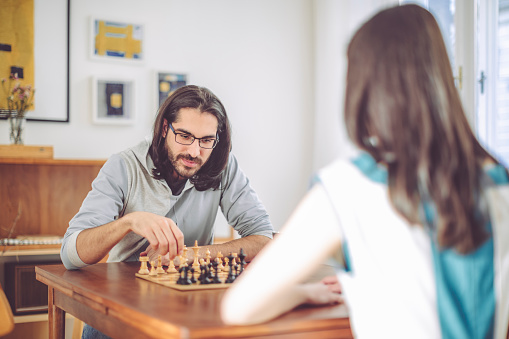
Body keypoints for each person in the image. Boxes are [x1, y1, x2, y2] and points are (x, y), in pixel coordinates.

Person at [220, 4, 509, 339]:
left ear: (364, 88)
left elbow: (238, 307)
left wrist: (306, 293)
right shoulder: (499, 183)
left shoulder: (350, 186)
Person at [61, 85, 274, 270]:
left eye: (207, 140)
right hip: (126, 293)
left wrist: (191, 254)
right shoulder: (123, 166)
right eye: (184, 136)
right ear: (165, 128)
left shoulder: (225, 165)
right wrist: (128, 222)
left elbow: (264, 239)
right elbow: (70, 255)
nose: (194, 151)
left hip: (192, 296)